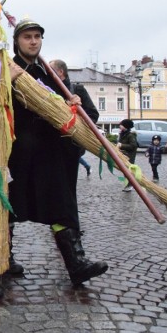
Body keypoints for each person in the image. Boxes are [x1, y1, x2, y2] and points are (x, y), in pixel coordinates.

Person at [8, 19, 108, 286]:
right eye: (27, 36)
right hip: (16, 150)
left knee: (62, 203)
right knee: (7, 205)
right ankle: (3, 258)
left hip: (50, 152)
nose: (33, 41)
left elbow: (62, 107)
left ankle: (76, 264)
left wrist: (72, 104)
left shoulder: (49, 74)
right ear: (17, 41)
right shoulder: (8, 69)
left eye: (37, 36)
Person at [49, 59, 99, 179]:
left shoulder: (77, 90)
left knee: (67, 187)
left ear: (60, 72)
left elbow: (93, 115)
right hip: (49, 149)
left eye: (50, 69)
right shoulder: (48, 90)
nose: (47, 72)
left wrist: (75, 121)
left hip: (70, 148)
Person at [117, 119, 138, 192]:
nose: (120, 126)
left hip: (129, 156)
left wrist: (122, 145)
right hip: (123, 155)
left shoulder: (131, 135)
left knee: (128, 171)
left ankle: (130, 184)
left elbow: (133, 146)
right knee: (124, 171)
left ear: (126, 126)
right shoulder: (122, 134)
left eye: (121, 125)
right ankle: (127, 184)